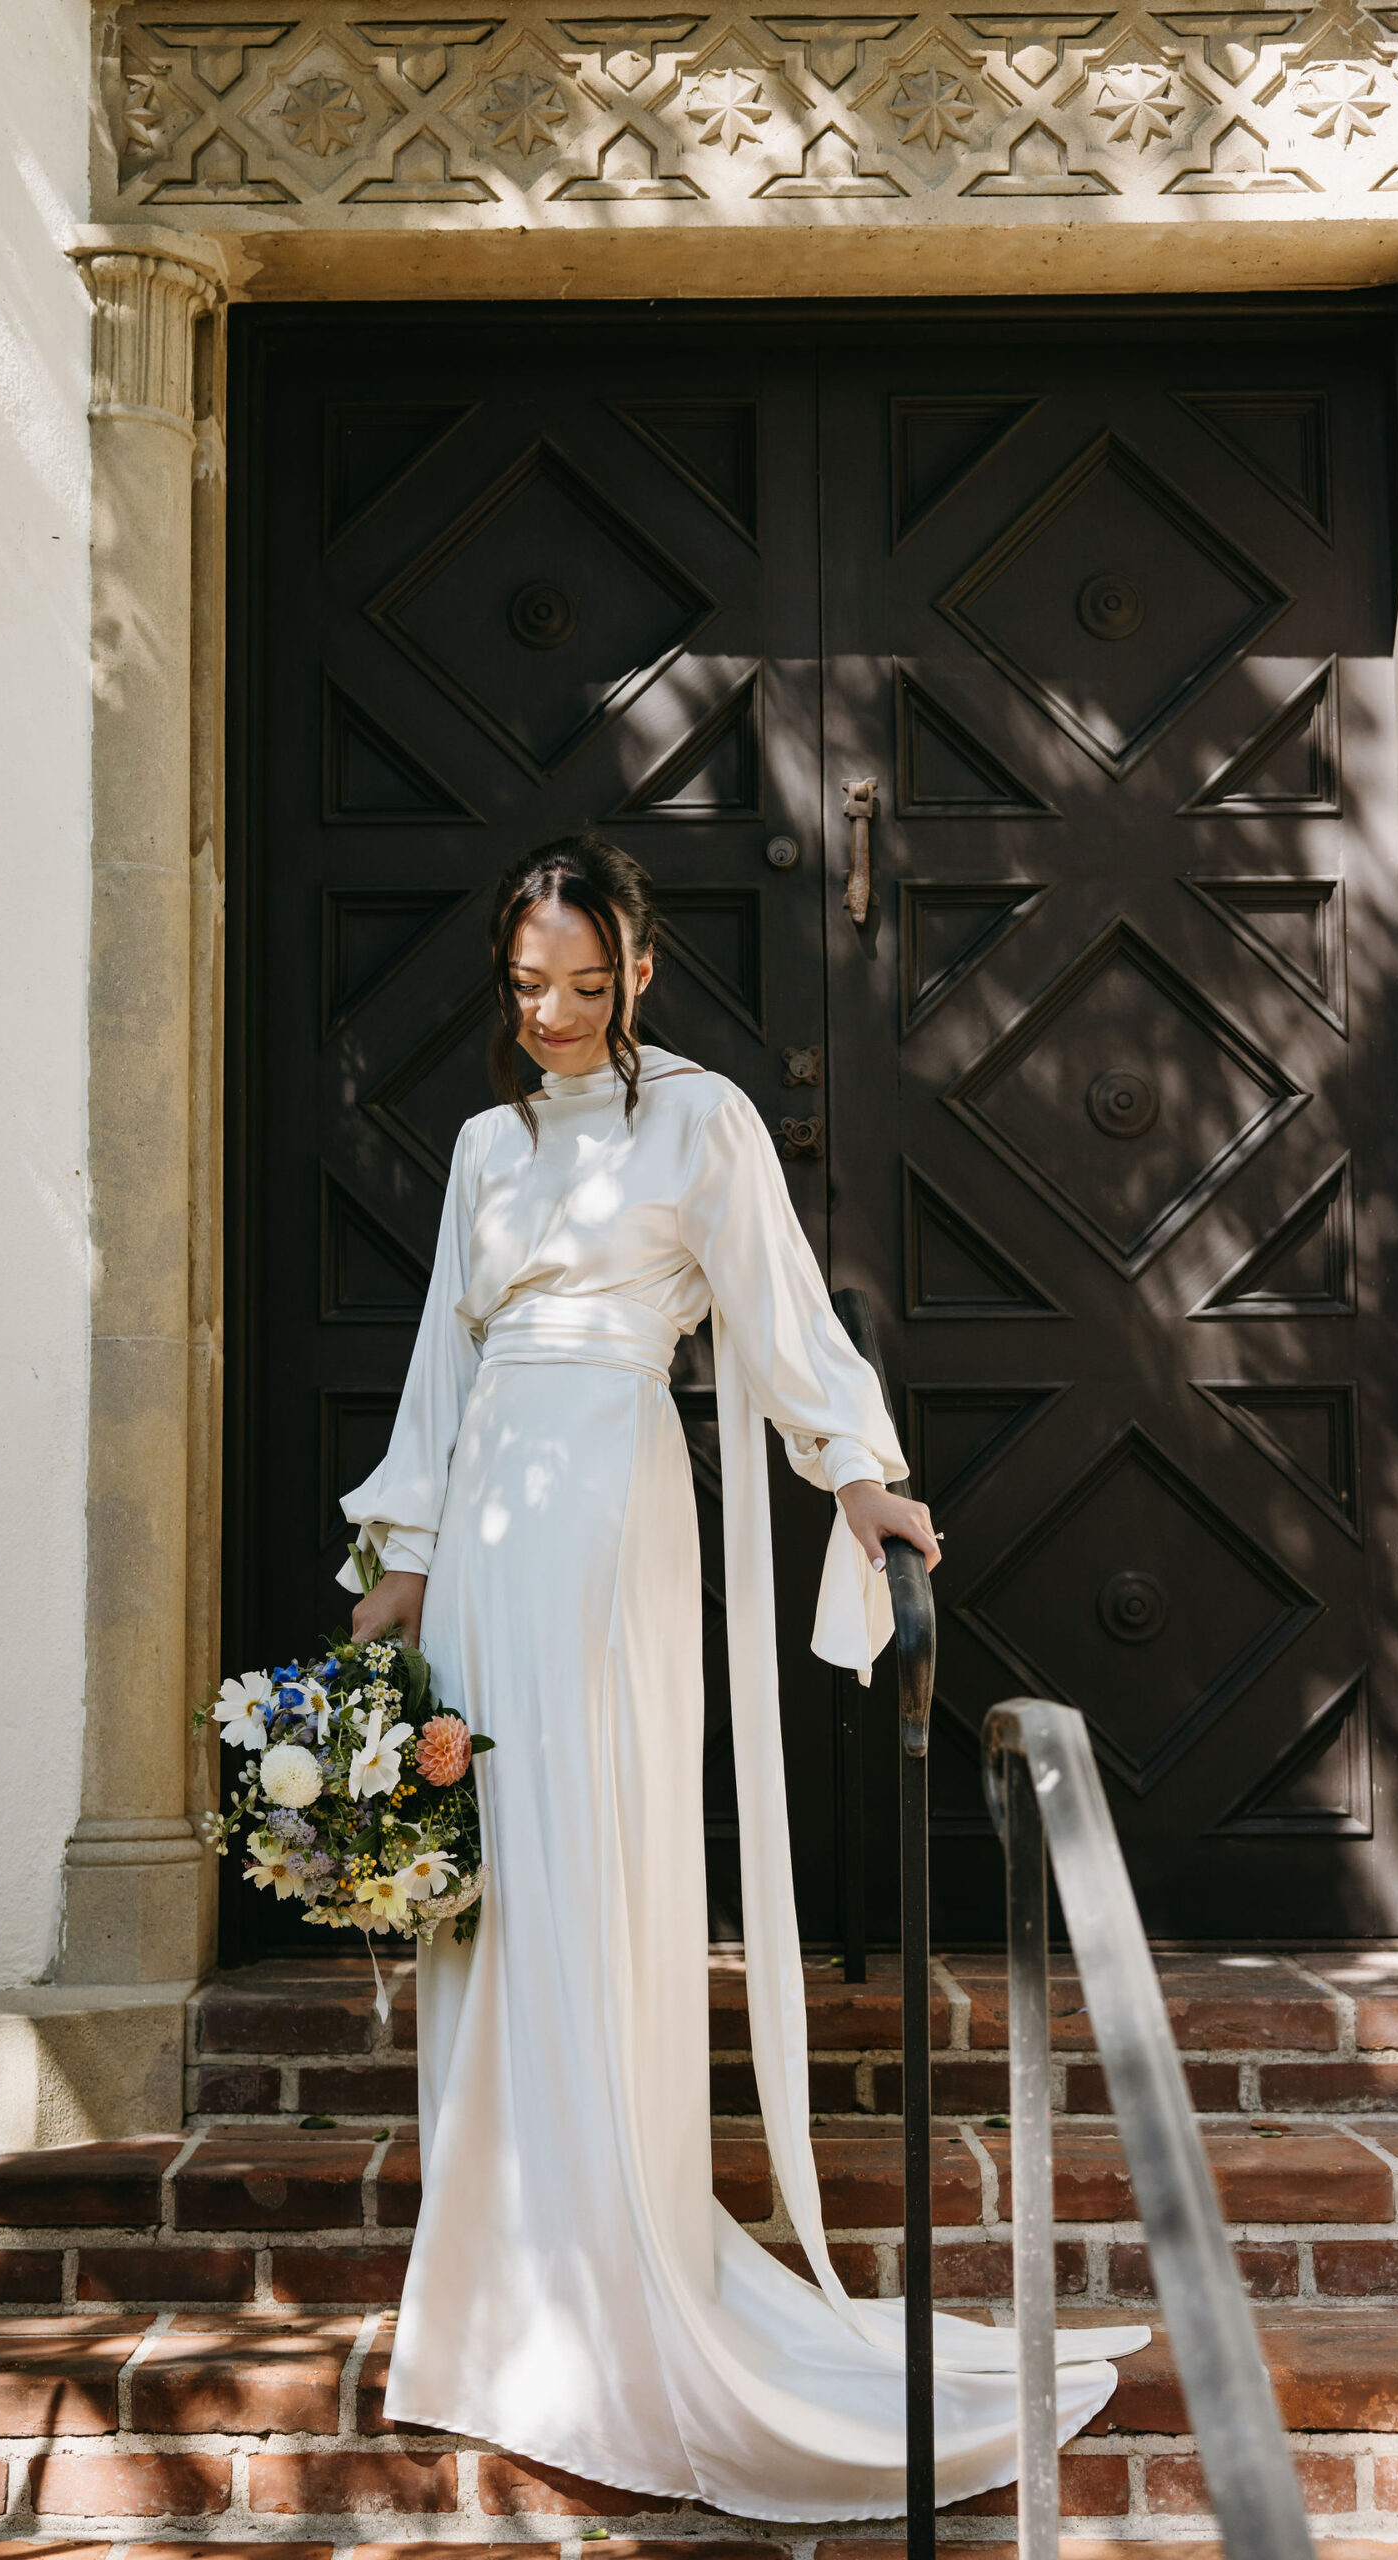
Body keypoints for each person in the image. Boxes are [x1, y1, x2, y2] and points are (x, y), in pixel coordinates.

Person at [339, 834, 1145, 2519]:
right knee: (485, 1879)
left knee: (597, 1868)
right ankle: (493, 2291)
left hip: (617, 1502)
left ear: (636, 967)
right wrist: (393, 1575)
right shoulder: (487, 1147)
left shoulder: (700, 1120)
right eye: (525, 988)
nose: (551, 1014)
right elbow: (440, 1362)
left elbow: (779, 1322)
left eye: (581, 983)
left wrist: (859, 1473)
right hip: (492, 1512)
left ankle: (617, 2279)